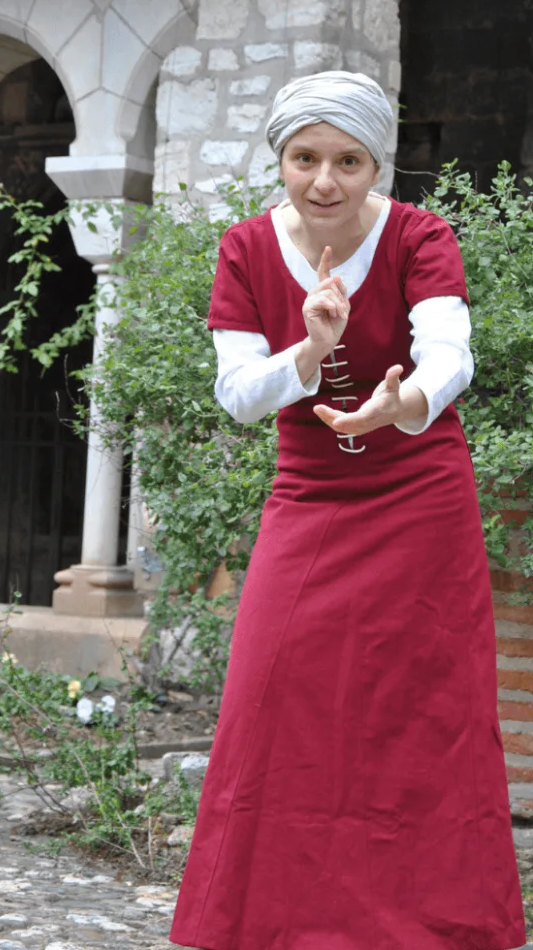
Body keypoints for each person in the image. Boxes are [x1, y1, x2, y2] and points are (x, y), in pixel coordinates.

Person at [172, 71, 523, 948]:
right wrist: (311, 348)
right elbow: (238, 393)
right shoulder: (246, 250)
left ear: (376, 166)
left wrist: (401, 405)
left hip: (420, 492)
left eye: (348, 160)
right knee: (270, 691)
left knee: (427, 706)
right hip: (312, 493)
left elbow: (450, 352)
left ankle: (438, 923)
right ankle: (267, 918)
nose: (325, 180)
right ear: (280, 160)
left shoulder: (418, 236)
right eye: (305, 158)